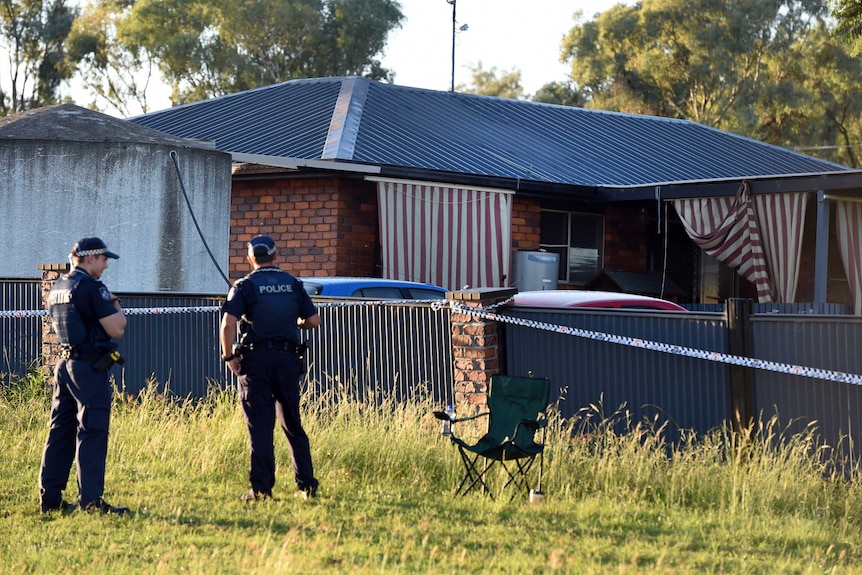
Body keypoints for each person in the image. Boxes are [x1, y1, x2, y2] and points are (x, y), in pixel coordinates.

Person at [220, 235, 321, 501]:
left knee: (261, 427)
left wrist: (229, 357)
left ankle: (262, 490)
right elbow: (313, 320)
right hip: (287, 361)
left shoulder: (244, 286)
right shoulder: (293, 284)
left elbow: (228, 324)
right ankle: (306, 486)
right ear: (277, 256)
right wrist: (298, 323)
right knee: (292, 424)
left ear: (250, 259)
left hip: (256, 363)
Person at [39, 237, 129, 515]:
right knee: (92, 431)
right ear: (90, 258)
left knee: (60, 432)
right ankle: (90, 502)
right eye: (103, 260)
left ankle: (50, 499)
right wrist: (114, 303)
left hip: (64, 365)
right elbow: (118, 328)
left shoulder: (59, 286)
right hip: (88, 369)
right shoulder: (91, 287)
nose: (105, 266)